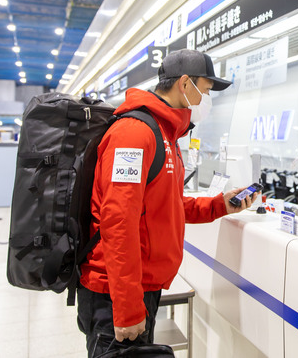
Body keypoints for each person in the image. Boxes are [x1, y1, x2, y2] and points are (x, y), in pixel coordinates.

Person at [77, 49, 257, 357]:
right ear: (185, 85)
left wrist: (219, 206)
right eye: (206, 89)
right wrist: (128, 306)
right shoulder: (134, 134)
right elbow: (118, 223)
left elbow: (166, 206)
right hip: (114, 292)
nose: (206, 99)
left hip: (140, 285)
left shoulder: (165, 134)